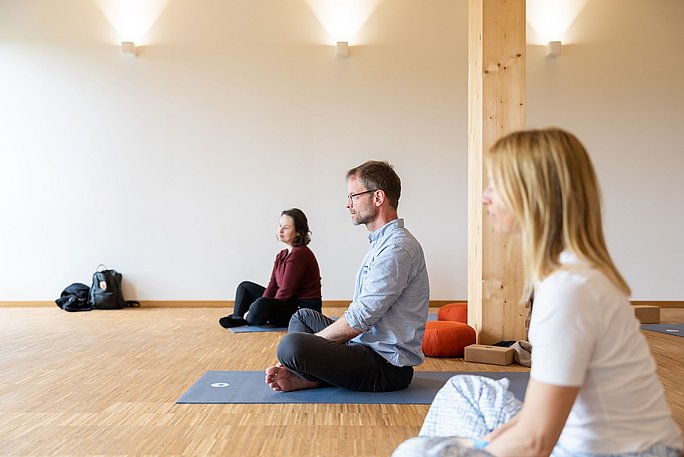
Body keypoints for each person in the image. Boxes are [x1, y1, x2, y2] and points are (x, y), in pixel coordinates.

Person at [393, 128, 682, 457]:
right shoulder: (565, 274)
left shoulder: (569, 290)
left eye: (495, 185)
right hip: (577, 439)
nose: (485, 197)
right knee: (462, 389)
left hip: (624, 452)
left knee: (415, 452)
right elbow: (536, 417)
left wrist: (466, 450)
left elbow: (535, 443)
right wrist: (485, 443)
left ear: (532, 194)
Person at [264, 160, 429, 392]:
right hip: (363, 345)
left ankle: (307, 373)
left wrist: (312, 346)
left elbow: (360, 319)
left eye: (353, 196)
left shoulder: (397, 248)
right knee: (301, 318)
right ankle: (309, 374)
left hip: (385, 367)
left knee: (290, 346)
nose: (347, 204)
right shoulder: (381, 243)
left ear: (378, 198)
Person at [219, 208, 322, 329]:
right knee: (245, 287)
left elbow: (285, 291)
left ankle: (249, 318)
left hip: (302, 309)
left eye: (286, 227)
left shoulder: (300, 254)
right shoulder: (282, 255)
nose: (280, 230)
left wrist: (263, 306)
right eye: (280, 226)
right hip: (288, 302)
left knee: (261, 304)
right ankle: (237, 318)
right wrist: (264, 302)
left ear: (298, 232)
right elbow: (273, 285)